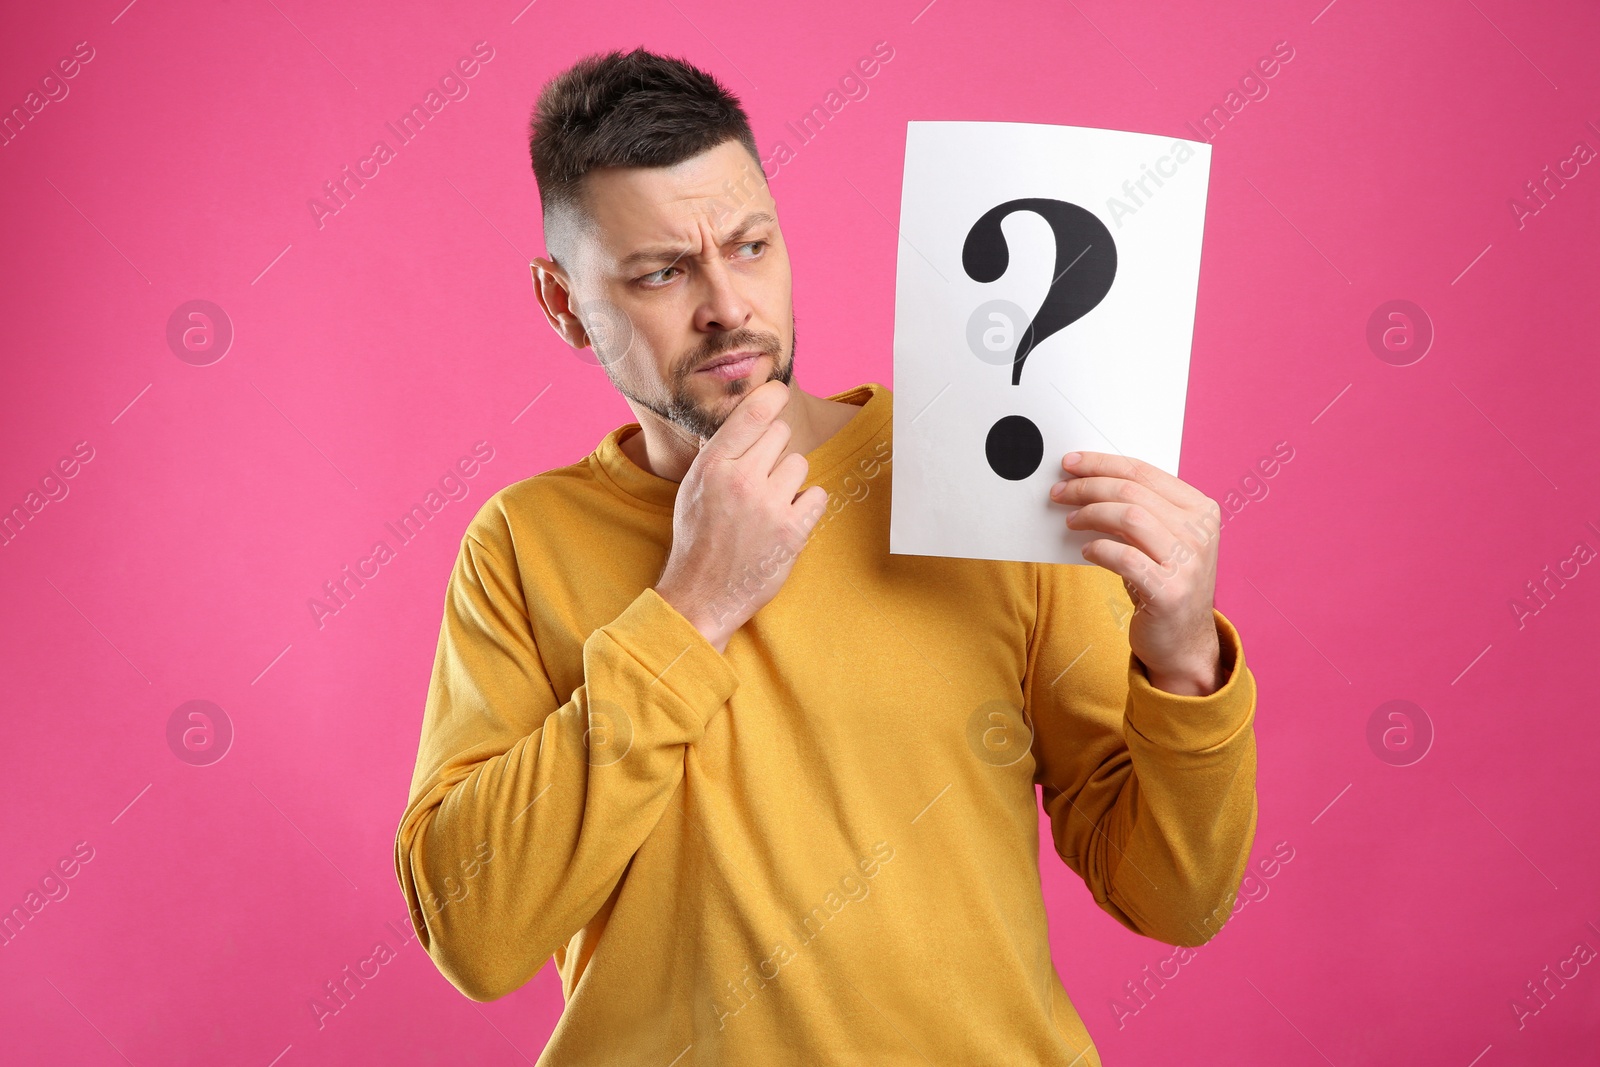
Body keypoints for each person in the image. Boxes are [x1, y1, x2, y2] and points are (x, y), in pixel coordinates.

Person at [393, 46, 1258, 1067]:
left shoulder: (981, 474)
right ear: (562, 301)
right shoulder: (521, 545)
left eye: (751, 246)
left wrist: (1183, 656)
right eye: (662, 270)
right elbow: (475, 933)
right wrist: (690, 606)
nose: (727, 305)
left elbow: (1176, 897)